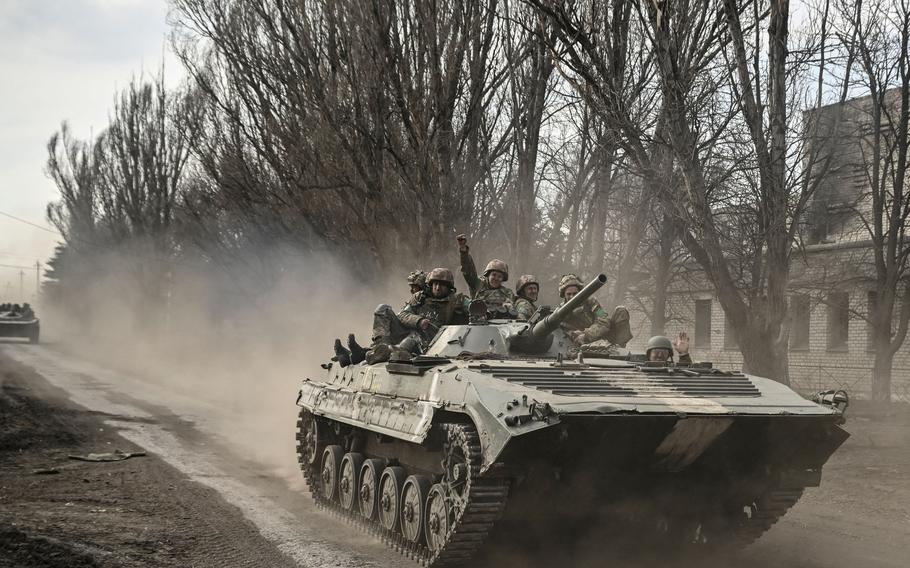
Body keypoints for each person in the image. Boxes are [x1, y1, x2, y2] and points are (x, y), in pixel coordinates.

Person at [365, 267, 471, 364]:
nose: (437, 288)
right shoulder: (420, 297)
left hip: (434, 339)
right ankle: (380, 348)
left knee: (415, 335)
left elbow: (475, 307)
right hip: (409, 331)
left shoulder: (458, 300)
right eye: (435, 284)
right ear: (430, 284)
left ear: (449, 287)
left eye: (442, 285)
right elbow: (402, 315)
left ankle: (396, 352)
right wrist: (419, 321)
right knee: (382, 309)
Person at [557, 274, 632, 347]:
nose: (572, 297)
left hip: (602, 337)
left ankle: (619, 349)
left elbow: (604, 319)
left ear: (579, 293)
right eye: (569, 294)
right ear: (564, 295)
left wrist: (586, 334)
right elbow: (562, 332)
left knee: (621, 311)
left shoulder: (591, 302)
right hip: (580, 344)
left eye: (575, 293)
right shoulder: (560, 312)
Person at [456, 234, 514, 315]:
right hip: (478, 322)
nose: (496, 278)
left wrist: (507, 306)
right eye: (494, 275)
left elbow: (512, 308)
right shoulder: (478, 284)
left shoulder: (507, 293)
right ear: (488, 275)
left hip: (502, 325)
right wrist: (464, 252)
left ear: (503, 279)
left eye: (500, 276)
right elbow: (468, 270)